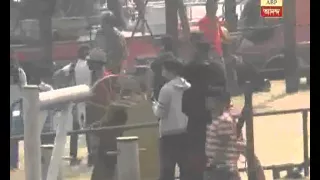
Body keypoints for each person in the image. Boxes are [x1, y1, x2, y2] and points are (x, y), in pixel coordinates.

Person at [182, 41, 228, 180]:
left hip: (195, 120)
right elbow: (225, 92)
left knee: (196, 155)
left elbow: (184, 100)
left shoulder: (188, 69)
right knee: (216, 154)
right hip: (215, 118)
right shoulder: (217, 69)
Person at [152, 58, 190, 180]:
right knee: (186, 169)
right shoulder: (188, 86)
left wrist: (154, 105)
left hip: (168, 135)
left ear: (170, 71)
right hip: (186, 132)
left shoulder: (166, 89)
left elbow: (160, 113)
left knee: (166, 171)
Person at [204, 92, 245, 180]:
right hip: (216, 167)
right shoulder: (213, 118)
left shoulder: (223, 120)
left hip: (221, 169)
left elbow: (224, 144)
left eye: (211, 99)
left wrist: (213, 164)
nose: (207, 101)